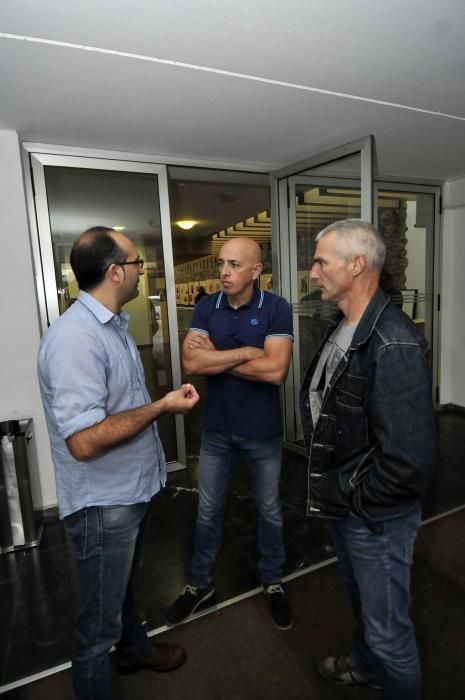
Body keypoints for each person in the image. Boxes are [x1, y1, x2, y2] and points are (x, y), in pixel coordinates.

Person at [37, 227, 200, 700]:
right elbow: (84, 442)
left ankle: (133, 650)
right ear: (114, 272)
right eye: (137, 264)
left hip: (129, 492)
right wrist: (161, 406)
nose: (141, 271)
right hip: (102, 505)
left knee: (123, 586)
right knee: (96, 625)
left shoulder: (110, 325)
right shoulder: (75, 340)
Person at [299, 219, 436, 699]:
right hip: (350, 505)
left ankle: (381, 665)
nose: (312, 271)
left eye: (321, 261)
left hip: (374, 517)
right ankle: (367, 666)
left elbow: (408, 463)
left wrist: (351, 497)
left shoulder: (392, 342)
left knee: (389, 633)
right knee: (365, 607)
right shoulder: (346, 325)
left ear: (357, 265)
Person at [166, 237, 294, 630]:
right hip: (218, 430)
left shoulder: (276, 308)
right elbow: (190, 363)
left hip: (263, 432)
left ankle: (272, 580)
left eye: (234, 265)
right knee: (208, 511)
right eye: (221, 263)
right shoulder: (208, 306)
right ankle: (200, 585)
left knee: (270, 510)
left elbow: (275, 372)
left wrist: (216, 358)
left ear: (256, 270)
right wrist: (246, 352)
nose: (223, 271)